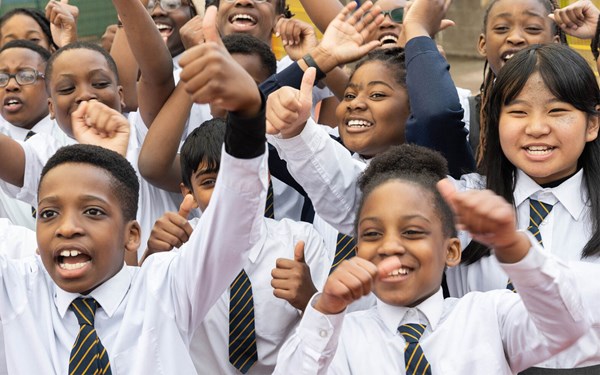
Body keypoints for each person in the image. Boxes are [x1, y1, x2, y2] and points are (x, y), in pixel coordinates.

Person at [0, 6, 269, 370]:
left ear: (132, 235)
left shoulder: (167, 289)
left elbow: (234, 220)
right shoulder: (16, 289)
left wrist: (249, 113)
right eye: (48, 213)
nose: (67, 227)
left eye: (93, 211)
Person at [272, 143, 590, 374]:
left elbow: (565, 327)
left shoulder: (489, 316)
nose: (389, 246)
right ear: (357, 252)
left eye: (411, 232)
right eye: (372, 234)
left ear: (451, 251)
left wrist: (513, 247)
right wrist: (325, 309)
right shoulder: (336, 336)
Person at [143, 117, 331, 374]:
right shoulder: (175, 247)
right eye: (209, 182)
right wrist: (151, 257)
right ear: (189, 193)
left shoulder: (301, 242)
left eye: (236, 179)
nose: (226, 192)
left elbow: (327, 340)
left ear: (264, 177)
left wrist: (309, 299)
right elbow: (143, 327)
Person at [473, 0, 565, 162]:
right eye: (502, 28)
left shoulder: (579, 107)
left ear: (555, 44)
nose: (515, 38)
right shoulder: (464, 114)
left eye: (532, 28)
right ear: (483, 44)